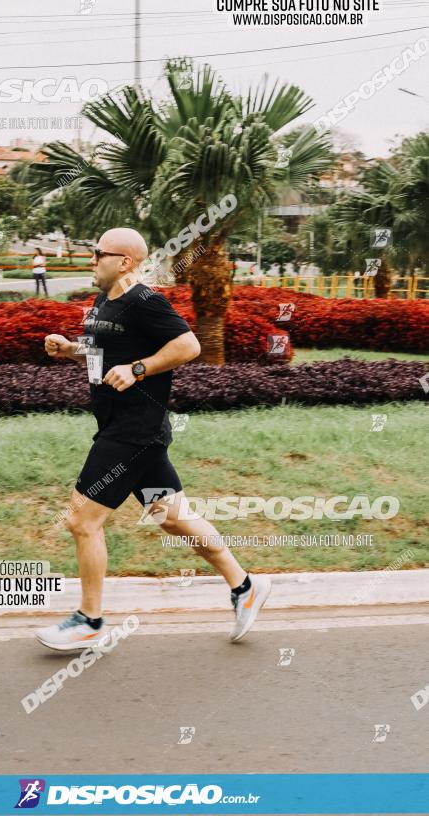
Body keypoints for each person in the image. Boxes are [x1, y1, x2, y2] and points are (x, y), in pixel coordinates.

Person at [36, 227, 271, 651]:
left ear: (124, 261)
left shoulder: (146, 300)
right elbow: (100, 353)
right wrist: (69, 349)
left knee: (82, 521)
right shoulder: (104, 301)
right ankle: (245, 586)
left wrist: (139, 370)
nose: (91, 259)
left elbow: (189, 345)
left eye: (97, 253)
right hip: (123, 428)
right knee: (175, 519)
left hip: (133, 432)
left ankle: (89, 620)